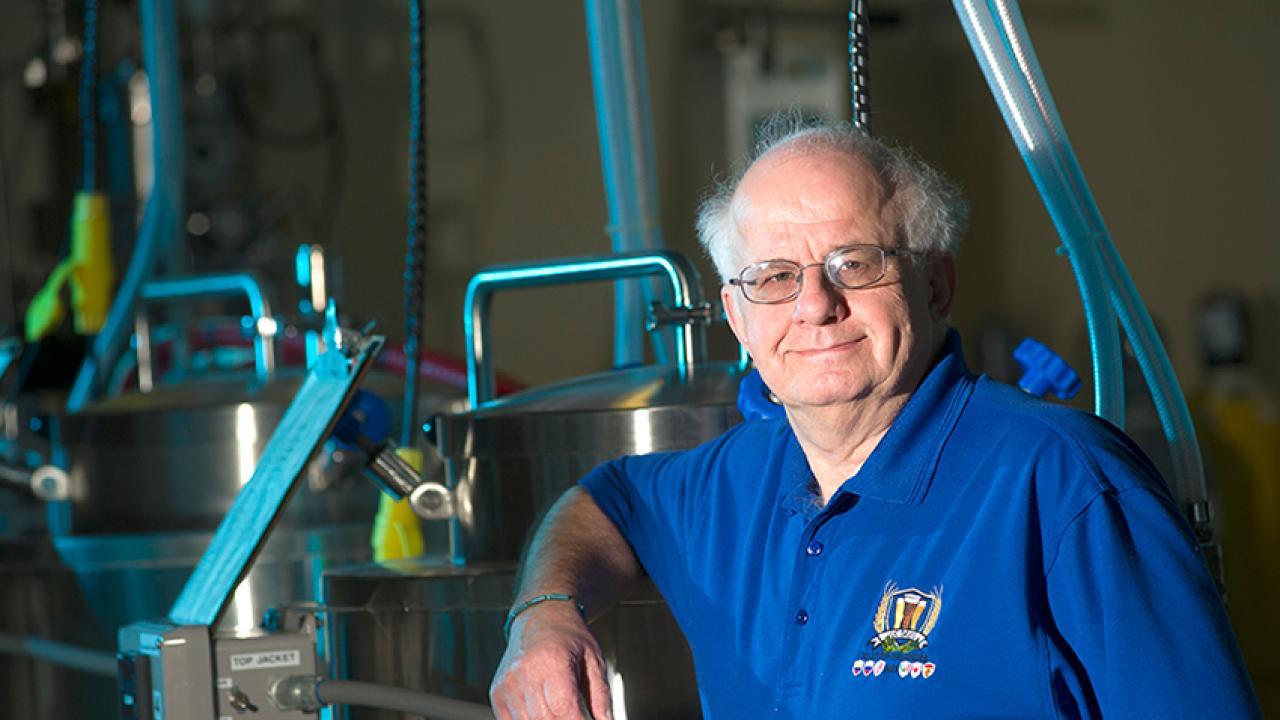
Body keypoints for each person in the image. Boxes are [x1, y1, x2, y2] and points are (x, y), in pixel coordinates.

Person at [488, 115, 1260, 719]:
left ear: (937, 284)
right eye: (774, 277)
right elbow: (605, 501)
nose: (815, 305)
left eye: (855, 264)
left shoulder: (1064, 486)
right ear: (735, 315)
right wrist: (544, 615)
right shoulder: (728, 484)